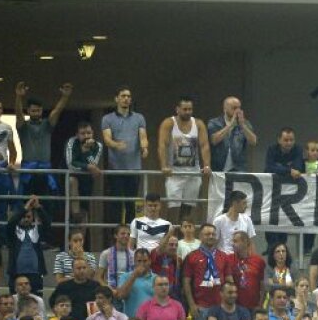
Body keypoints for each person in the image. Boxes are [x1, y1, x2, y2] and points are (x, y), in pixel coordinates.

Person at [157, 96, 211, 224]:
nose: (187, 112)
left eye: (190, 109)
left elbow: (204, 146)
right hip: (174, 174)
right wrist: (164, 165)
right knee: (173, 208)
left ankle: (183, 238)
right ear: (177, 109)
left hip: (193, 173)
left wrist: (207, 165)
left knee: (187, 211)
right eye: (185, 109)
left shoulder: (198, 124)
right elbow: (162, 145)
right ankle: (172, 238)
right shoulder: (169, 123)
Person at [101, 86, 149, 229]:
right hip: (115, 169)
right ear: (116, 99)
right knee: (116, 204)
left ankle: (132, 236)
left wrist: (144, 147)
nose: (126, 98)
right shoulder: (107, 118)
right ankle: (115, 235)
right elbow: (107, 139)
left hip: (134, 169)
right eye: (123, 96)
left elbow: (143, 136)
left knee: (133, 204)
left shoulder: (139, 117)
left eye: (128, 96)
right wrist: (116, 145)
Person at [207, 96, 257, 172]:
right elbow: (214, 140)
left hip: (239, 169)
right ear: (225, 109)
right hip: (218, 168)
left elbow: (253, 142)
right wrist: (230, 125)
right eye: (234, 108)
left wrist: (243, 126)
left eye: (239, 108)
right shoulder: (214, 123)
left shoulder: (245, 123)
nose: (237, 111)